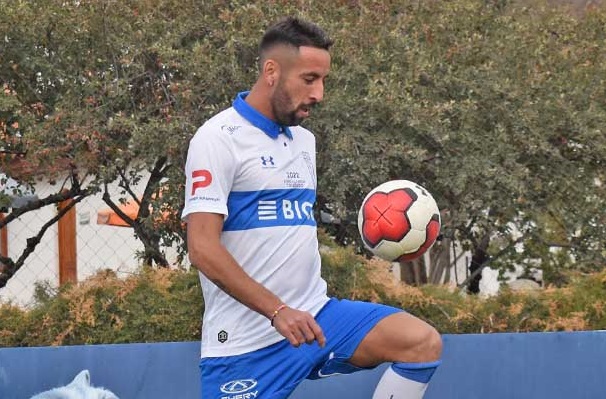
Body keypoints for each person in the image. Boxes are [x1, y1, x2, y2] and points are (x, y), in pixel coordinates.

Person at [183, 16, 442, 399]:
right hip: (247, 345)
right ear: (271, 71)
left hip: (317, 319)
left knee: (421, 343)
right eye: (309, 79)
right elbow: (202, 248)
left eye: (323, 80)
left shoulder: (304, 142)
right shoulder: (217, 139)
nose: (319, 93)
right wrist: (277, 311)